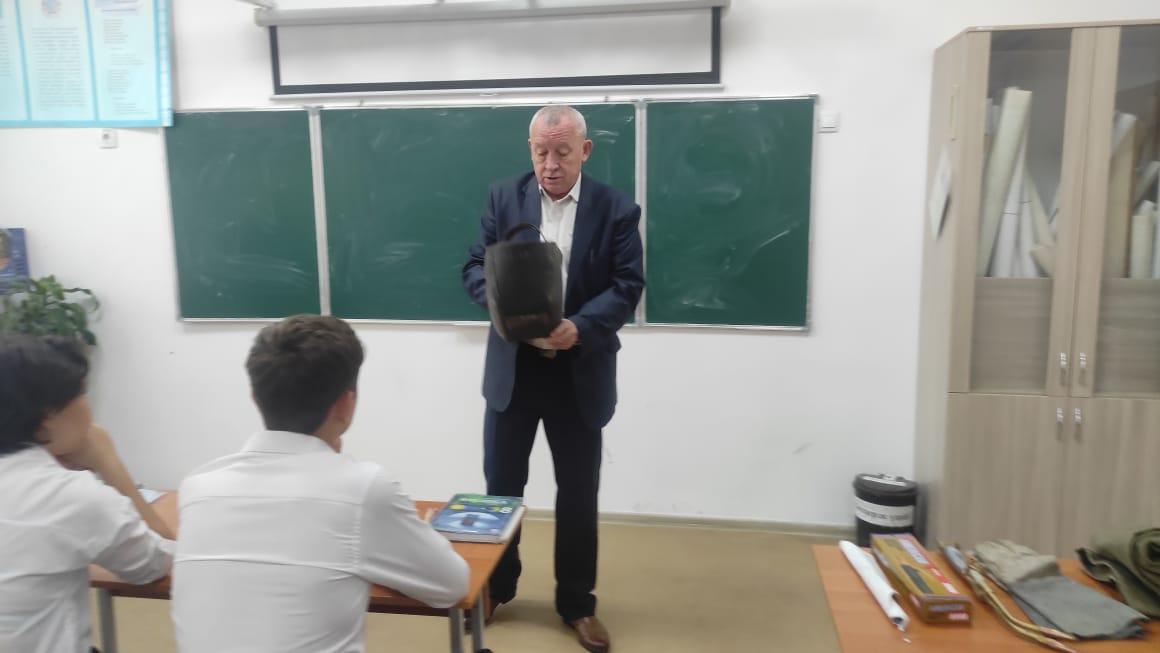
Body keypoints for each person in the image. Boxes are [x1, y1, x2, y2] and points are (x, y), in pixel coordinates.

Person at [171, 314, 469, 653]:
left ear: (254, 397)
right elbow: (452, 585)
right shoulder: (363, 490)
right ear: (346, 404)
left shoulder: (197, 487)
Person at [462, 105, 645, 653]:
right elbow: (474, 267)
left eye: (562, 152)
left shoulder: (615, 208)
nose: (550, 164)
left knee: (579, 494)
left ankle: (578, 604)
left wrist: (579, 327)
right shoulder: (504, 197)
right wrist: (503, 306)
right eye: (541, 152)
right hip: (514, 372)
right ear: (530, 149)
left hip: (578, 372)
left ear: (584, 151)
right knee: (501, 489)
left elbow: (628, 284)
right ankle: (497, 588)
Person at [0, 335, 175, 653]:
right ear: (48, 416)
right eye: (81, 393)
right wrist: (108, 462)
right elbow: (158, 563)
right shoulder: (68, 497)